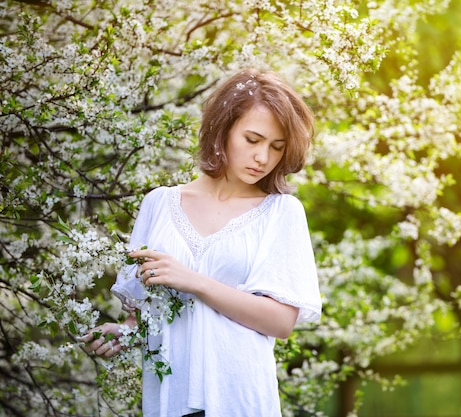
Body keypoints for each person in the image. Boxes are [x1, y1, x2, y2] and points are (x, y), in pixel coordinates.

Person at [82, 68, 322, 417]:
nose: (263, 158)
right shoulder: (159, 205)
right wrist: (124, 333)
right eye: (252, 140)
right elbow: (146, 313)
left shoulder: (280, 212)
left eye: (276, 147)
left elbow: (280, 321)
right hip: (170, 396)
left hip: (239, 396)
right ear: (222, 130)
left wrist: (195, 281)